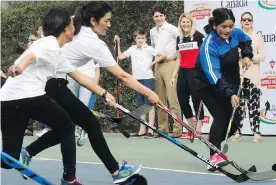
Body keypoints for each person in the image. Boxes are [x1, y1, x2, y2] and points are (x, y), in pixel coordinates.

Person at [21, 2, 161, 185]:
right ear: (94, 21)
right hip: (49, 84)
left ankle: (44, 162)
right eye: (107, 21)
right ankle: (112, 172)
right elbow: (122, 76)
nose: (109, 25)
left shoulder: (75, 25)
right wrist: (151, 93)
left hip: (51, 83)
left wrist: (103, 93)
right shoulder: (93, 42)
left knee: (68, 127)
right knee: (88, 125)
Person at [0, 7, 114, 181]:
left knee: (8, 160)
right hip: (29, 96)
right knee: (67, 125)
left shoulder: (55, 52)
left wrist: (104, 93)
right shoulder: (49, 43)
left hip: (7, 100)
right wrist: (19, 67)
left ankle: (65, 177)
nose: (75, 26)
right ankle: (69, 179)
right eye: (72, 23)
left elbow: (79, 76)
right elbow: (30, 56)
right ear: (66, 29)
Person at [193, 8, 252, 171]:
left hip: (229, 82)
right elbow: (214, 76)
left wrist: (247, 55)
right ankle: (214, 156)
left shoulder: (236, 33)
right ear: (214, 25)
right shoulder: (208, 46)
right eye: (224, 27)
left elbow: (246, 41)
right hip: (208, 85)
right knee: (220, 116)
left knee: (236, 120)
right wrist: (231, 93)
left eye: (230, 26)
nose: (228, 30)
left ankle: (217, 143)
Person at [114, 29, 166, 138]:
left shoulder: (149, 48)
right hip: (136, 80)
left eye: (142, 38)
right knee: (141, 105)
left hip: (148, 78)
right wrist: (117, 43)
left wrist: (152, 63)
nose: (140, 40)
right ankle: (142, 129)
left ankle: (151, 129)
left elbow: (162, 55)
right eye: (138, 38)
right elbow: (120, 56)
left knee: (149, 104)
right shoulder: (132, 48)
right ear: (135, 39)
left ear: (146, 39)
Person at [231, 11, 266, 143]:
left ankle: (256, 132)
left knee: (254, 106)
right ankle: (237, 132)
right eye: (244, 19)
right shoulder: (235, 38)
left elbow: (262, 55)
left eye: (249, 19)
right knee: (238, 107)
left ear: (252, 22)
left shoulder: (257, 37)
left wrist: (250, 57)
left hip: (253, 77)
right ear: (240, 22)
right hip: (238, 76)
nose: (247, 21)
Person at [170, 13, 204, 139]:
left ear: (191, 23)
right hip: (183, 73)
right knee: (183, 100)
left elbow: (203, 56)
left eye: (187, 22)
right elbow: (179, 58)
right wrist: (174, 76)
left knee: (197, 100)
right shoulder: (179, 38)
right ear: (180, 23)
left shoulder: (198, 36)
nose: (185, 24)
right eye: (183, 22)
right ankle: (191, 129)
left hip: (195, 72)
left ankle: (199, 130)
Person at [150, 5, 182, 138]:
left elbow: (181, 43)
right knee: (159, 98)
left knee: (172, 98)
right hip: (158, 65)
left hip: (170, 64)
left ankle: (177, 128)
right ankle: (162, 128)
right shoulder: (152, 31)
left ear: (165, 16)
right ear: (153, 18)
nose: (159, 18)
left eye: (161, 16)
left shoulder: (173, 29)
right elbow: (153, 48)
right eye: (156, 16)